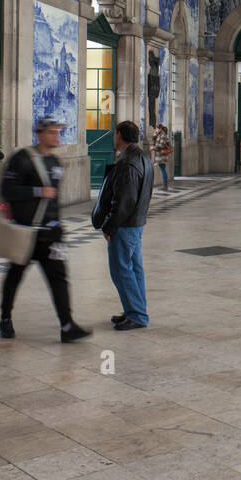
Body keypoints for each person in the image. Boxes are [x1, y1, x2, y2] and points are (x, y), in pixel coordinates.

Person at [0, 117, 91, 343]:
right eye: (52, 132)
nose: (56, 136)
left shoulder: (55, 162)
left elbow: (53, 201)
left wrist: (59, 228)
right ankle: (5, 318)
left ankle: (67, 325)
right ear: (40, 134)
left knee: (59, 279)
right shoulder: (22, 159)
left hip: (50, 234)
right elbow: (7, 191)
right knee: (14, 276)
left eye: (58, 132)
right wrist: (37, 191)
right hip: (25, 233)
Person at [96, 120, 154, 330]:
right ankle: (135, 309)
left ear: (119, 135)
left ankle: (137, 314)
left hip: (125, 225)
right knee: (134, 269)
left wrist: (109, 226)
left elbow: (123, 201)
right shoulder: (143, 158)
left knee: (120, 270)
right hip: (136, 223)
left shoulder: (128, 162)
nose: (114, 138)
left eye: (115, 134)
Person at [151, 124, 173, 191]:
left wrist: (153, 148)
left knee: (163, 170)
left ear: (160, 129)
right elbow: (155, 142)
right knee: (163, 169)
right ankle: (165, 185)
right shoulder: (159, 135)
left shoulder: (163, 135)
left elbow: (161, 145)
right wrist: (154, 136)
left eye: (157, 129)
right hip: (159, 156)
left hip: (162, 156)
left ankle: (165, 185)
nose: (156, 130)